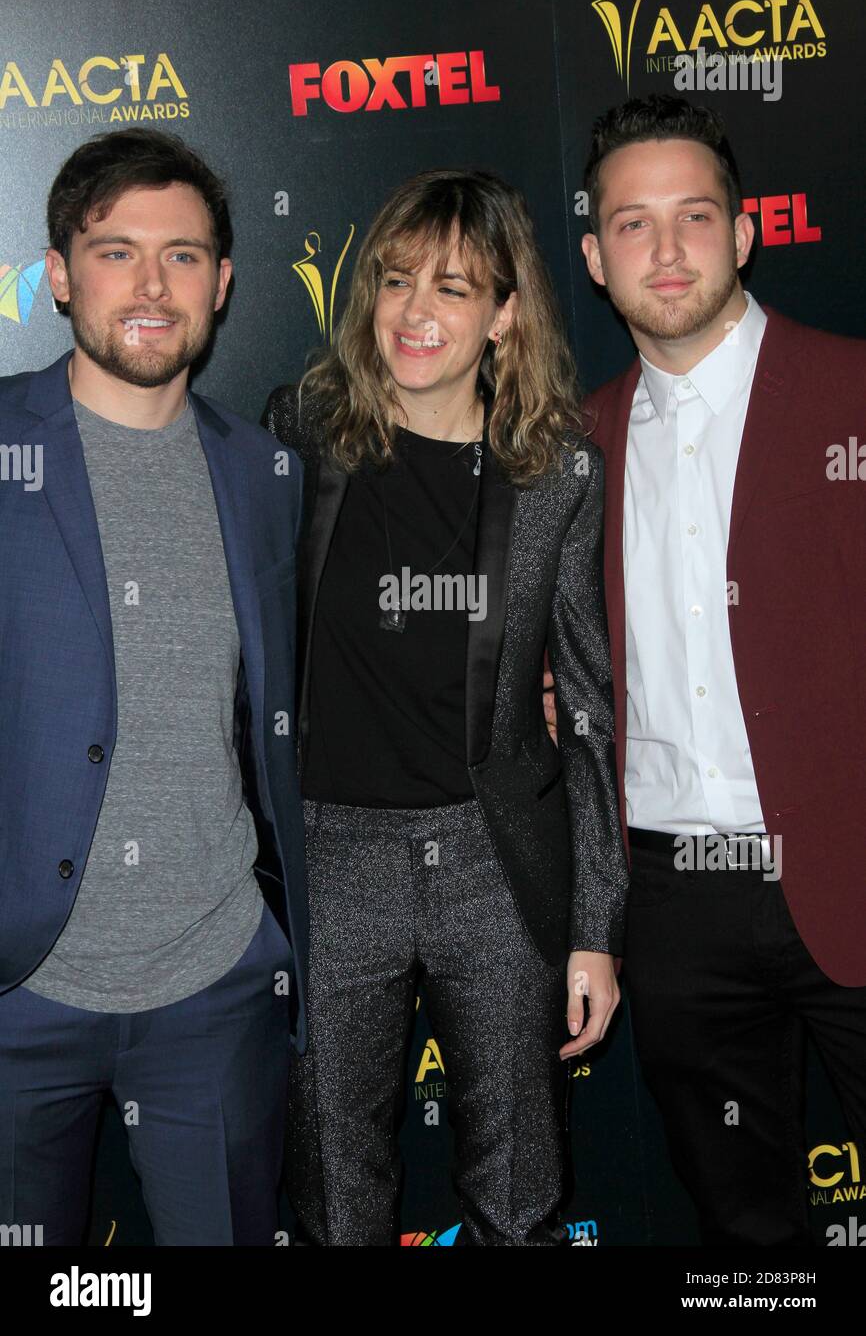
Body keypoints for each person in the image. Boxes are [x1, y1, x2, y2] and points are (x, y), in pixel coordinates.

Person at [264, 168, 628, 1245]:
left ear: (505, 316)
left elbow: (592, 701)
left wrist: (595, 928)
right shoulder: (303, 431)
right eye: (394, 280)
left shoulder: (557, 472)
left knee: (518, 1188)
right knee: (334, 1185)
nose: (415, 312)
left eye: (454, 288)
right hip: (332, 852)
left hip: (493, 859)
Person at [0, 127, 307, 1245]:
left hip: (214, 985)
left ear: (222, 283)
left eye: (182, 255)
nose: (150, 283)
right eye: (116, 250)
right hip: (16, 990)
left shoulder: (266, 472)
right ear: (61, 272)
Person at [570, 93, 866, 1244]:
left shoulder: (850, 395)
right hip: (675, 900)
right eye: (632, 224)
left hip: (848, 859)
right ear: (595, 258)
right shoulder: (575, 447)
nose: (666, 247)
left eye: (693, 215)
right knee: (744, 1225)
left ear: (743, 233)